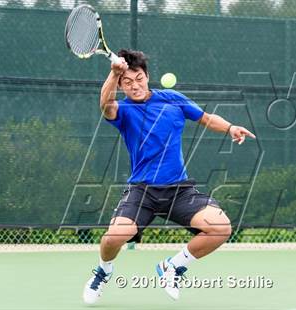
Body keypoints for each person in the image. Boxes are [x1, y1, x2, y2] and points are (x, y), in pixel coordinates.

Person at [83, 49, 256, 304]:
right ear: (121, 85)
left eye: (139, 78)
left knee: (220, 228)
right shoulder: (123, 110)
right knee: (113, 238)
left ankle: (172, 267)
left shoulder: (173, 99)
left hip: (179, 190)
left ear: (147, 76)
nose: (135, 85)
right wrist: (113, 74)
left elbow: (206, 119)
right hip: (142, 190)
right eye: (127, 82)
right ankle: (103, 271)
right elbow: (105, 105)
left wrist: (230, 127)